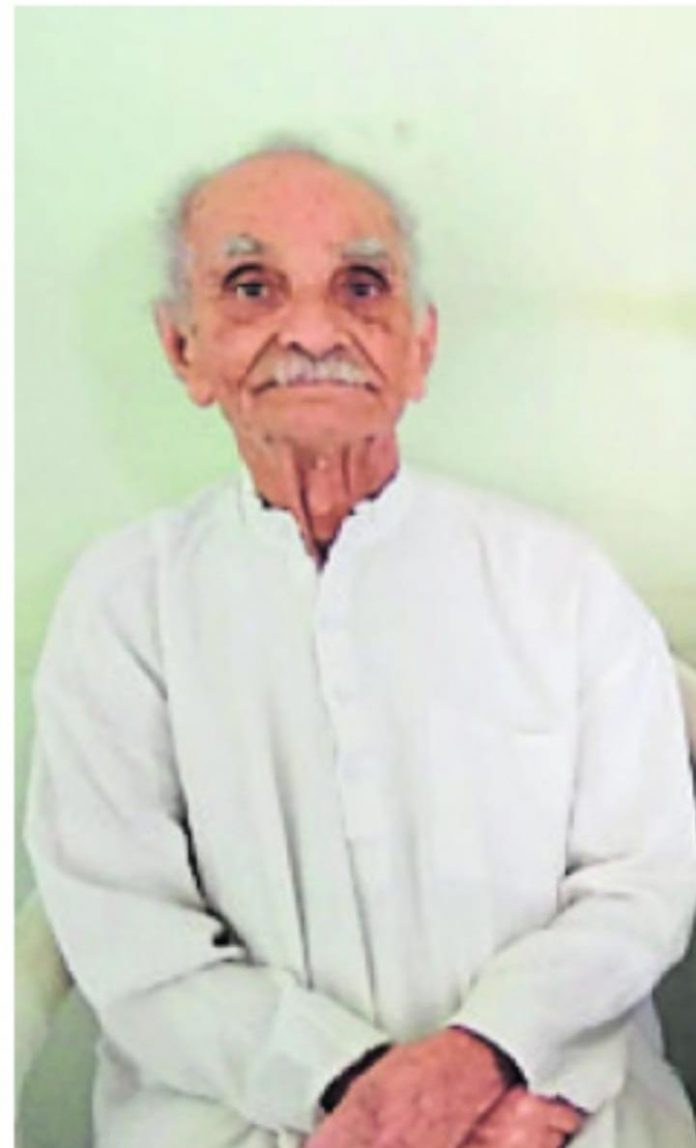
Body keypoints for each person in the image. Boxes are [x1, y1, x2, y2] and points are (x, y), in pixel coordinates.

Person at [25, 143, 696, 1148]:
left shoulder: (560, 581)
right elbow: (126, 926)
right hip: (237, 1121)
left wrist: (486, 1060)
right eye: (252, 287)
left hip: (552, 1111)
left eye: (361, 286)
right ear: (184, 347)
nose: (312, 329)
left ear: (419, 347)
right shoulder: (124, 602)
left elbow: (642, 883)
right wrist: (355, 1088)